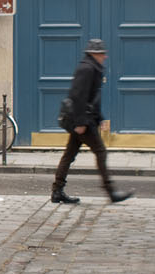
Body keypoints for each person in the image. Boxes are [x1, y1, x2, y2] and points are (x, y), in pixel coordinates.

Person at [52, 38, 131, 204]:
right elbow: (78, 97)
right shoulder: (87, 69)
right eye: (102, 53)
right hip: (83, 122)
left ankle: (57, 191)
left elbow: (92, 98)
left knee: (69, 154)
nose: (105, 56)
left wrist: (100, 117)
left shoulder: (92, 68)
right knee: (100, 152)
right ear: (94, 54)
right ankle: (110, 192)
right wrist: (80, 122)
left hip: (85, 119)